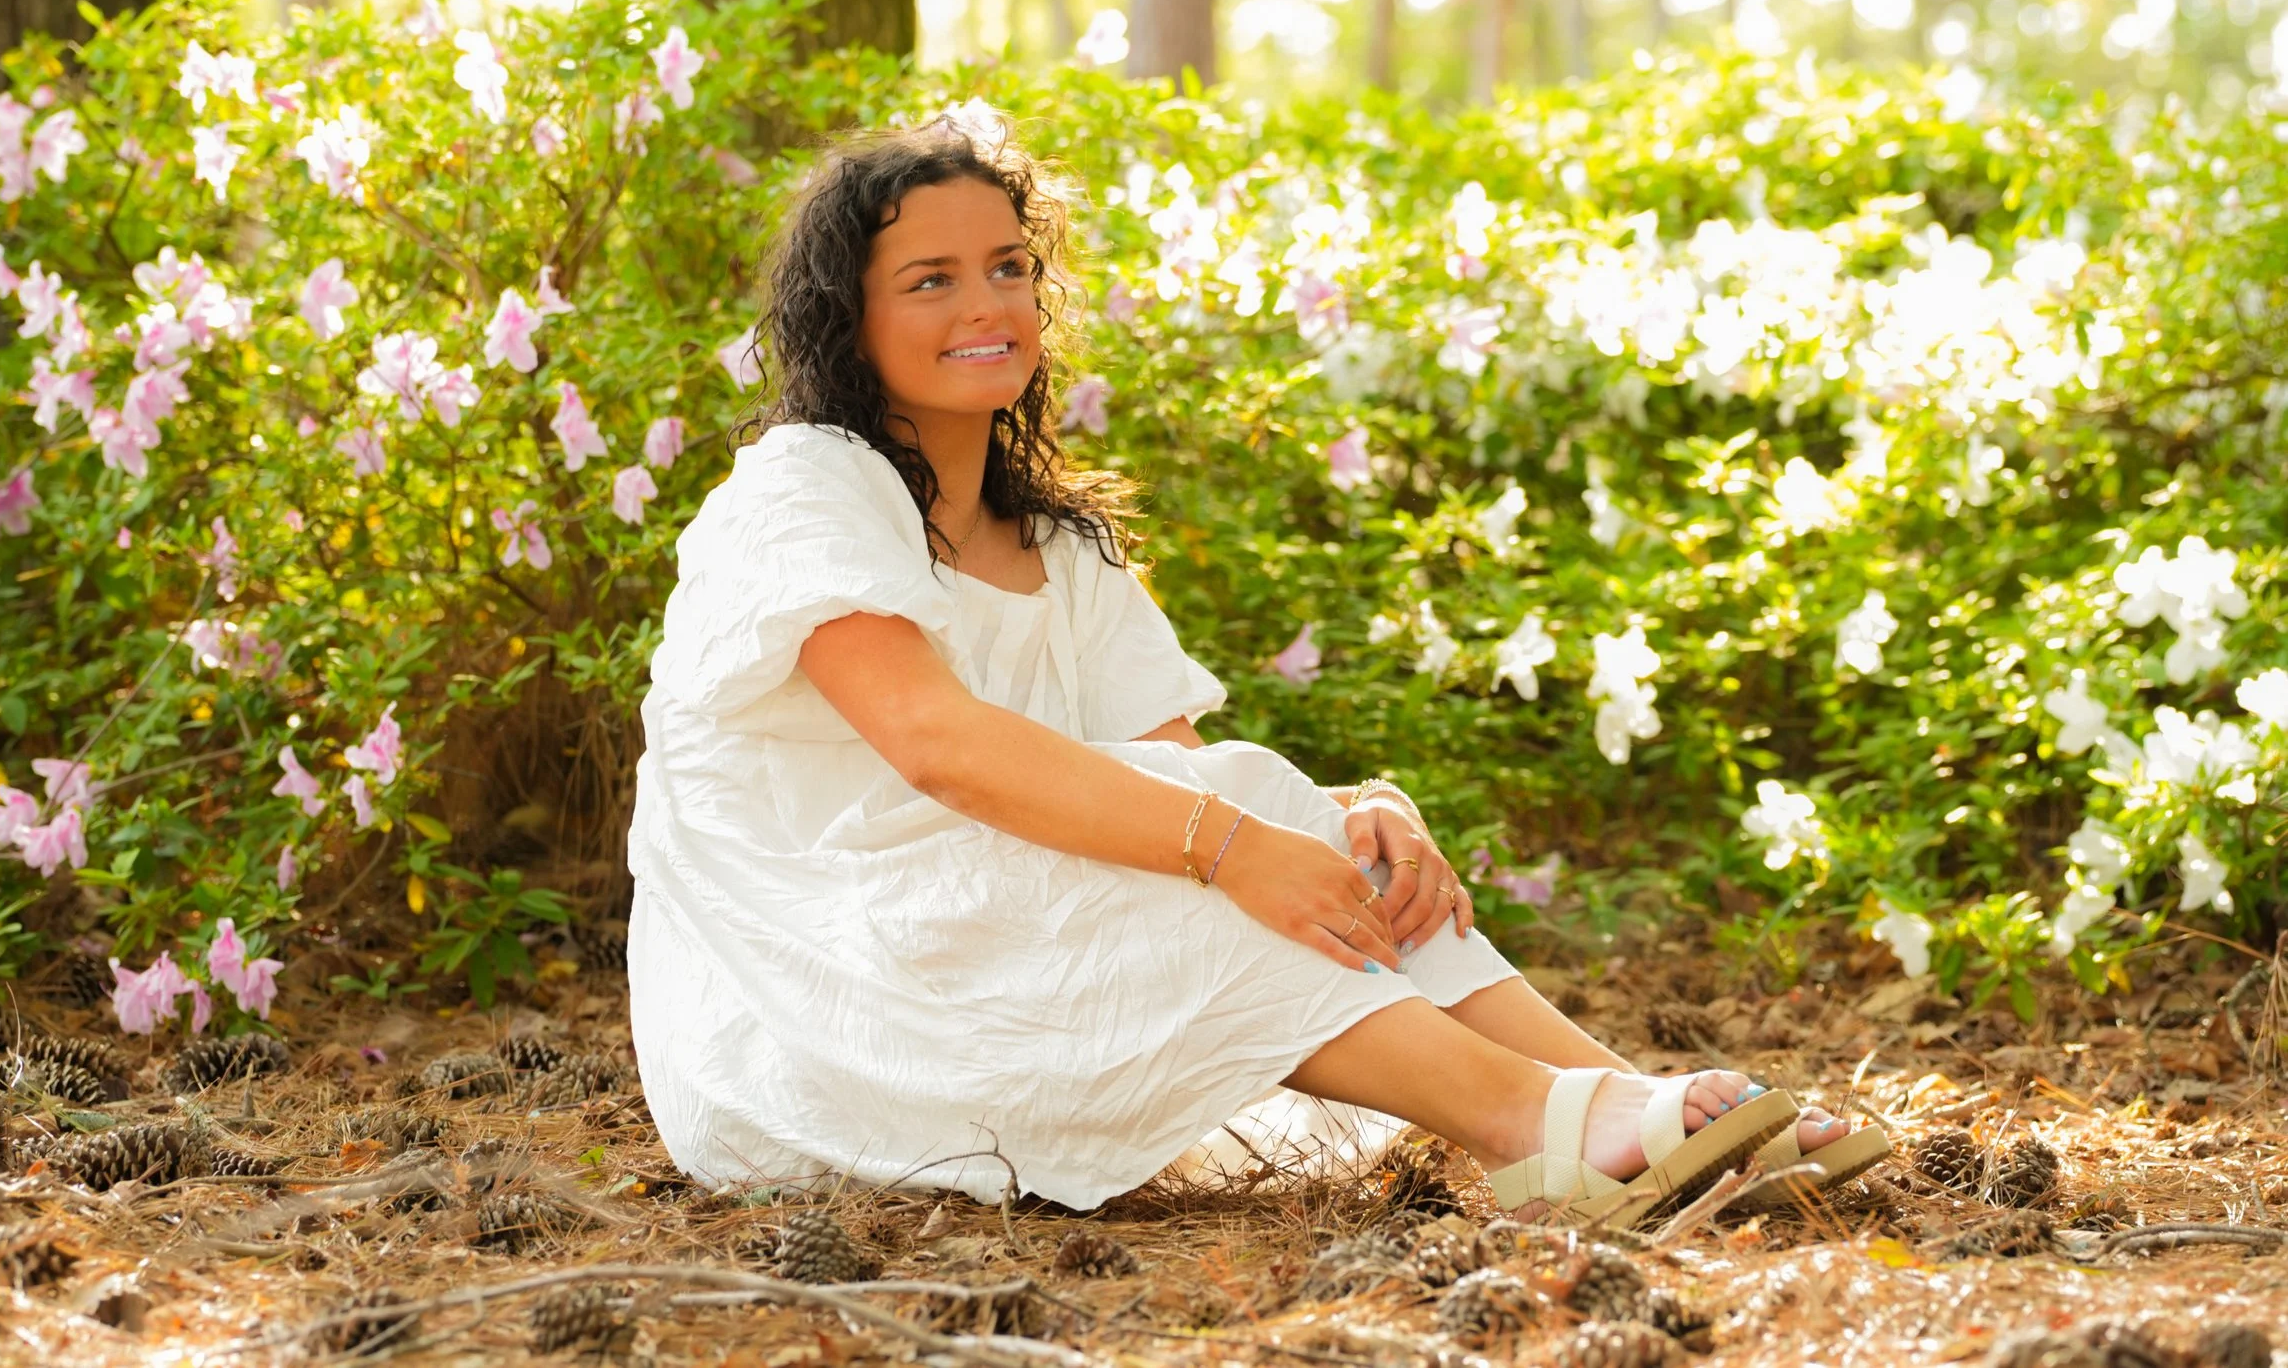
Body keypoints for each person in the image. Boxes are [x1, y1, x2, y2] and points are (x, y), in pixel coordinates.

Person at [627, 114, 1881, 1220]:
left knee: (1297, 810)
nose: (986, 307)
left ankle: (1621, 1102)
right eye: (931, 278)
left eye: (1009, 267)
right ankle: (1541, 1125)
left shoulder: (1061, 543)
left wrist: (1341, 821)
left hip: (987, 943)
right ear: (850, 316)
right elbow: (939, 746)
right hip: (813, 1003)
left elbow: (1158, 784)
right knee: (1249, 810)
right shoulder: (802, 489)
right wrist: (1243, 835)